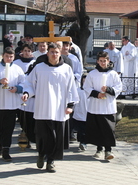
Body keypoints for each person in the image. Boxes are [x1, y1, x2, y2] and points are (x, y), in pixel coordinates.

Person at [22, 42, 79, 172]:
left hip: (59, 109)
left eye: (56, 52)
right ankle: (41, 154)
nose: (54, 55)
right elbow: (29, 83)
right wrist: (27, 93)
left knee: (56, 136)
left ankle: (51, 160)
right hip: (43, 107)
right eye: (52, 52)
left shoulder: (66, 69)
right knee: (43, 135)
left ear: (60, 54)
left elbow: (71, 88)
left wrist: (70, 105)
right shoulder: (39, 67)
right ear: (47, 53)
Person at [83, 51, 122, 160]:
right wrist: (97, 94)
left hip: (108, 106)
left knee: (108, 129)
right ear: (97, 61)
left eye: (104, 61)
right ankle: (99, 149)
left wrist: (109, 90)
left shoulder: (113, 74)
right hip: (95, 105)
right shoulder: (92, 74)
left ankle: (108, 150)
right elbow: (86, 87)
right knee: (97, 129)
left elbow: (119, 87)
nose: (102, 63)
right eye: (100, 61)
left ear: (108, 61)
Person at [13, 44, 36, 149]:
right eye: (25, 50)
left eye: (29, 50)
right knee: (24, 120)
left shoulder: (36, 63)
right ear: (21, 51)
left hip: (34, 100)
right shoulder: (16, 63)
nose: (27, 52)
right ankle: (26, 137)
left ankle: (33, 138)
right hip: (21, 96)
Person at [72, 74, 88, 151]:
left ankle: (84, 143)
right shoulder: (78, 90)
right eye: (83, 81)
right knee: (80, 129)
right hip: (79, 113)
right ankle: (81, 142)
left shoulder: (91, 92)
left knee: (85, 130)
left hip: (88, 113)